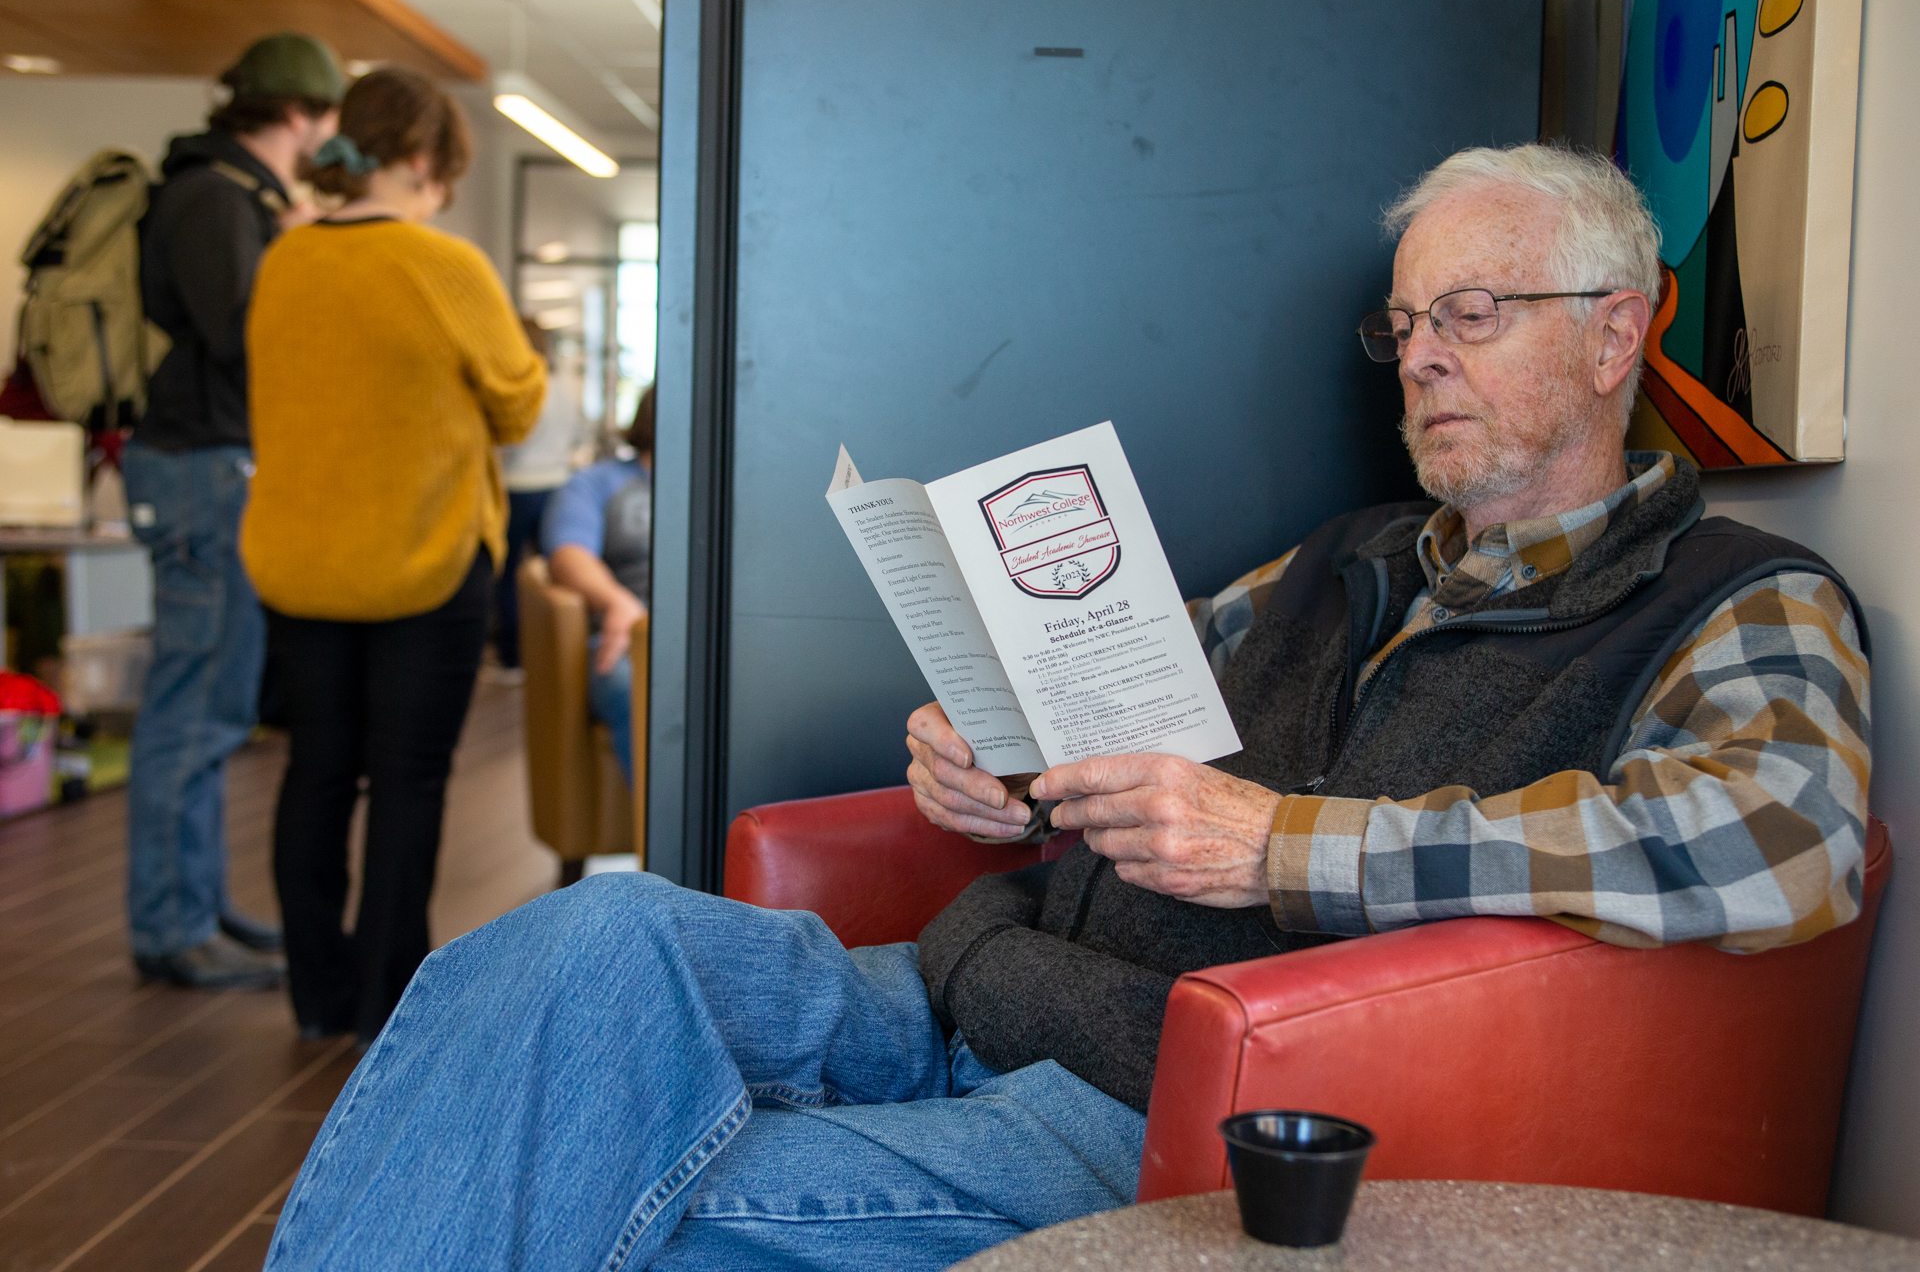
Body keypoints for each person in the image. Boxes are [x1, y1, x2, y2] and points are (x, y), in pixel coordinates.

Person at [263, 145, 1870, 1270]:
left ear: (1616, 329)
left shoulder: (1736, 595)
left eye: (1472, 316)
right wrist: (988, 753)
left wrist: (1283, 848)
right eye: (1405, 325)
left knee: (609, 1170)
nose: (1422, 362)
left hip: (1164, 1099)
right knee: (576, 943)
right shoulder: (1349, 558)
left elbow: (1779, 839)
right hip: (986, 984)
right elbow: (1097, 685)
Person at [241, 67, 545, 1045]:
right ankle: (387, 1006)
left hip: (301, 562)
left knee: (318, 773)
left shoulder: (283, 261)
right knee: (406, 780)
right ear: (423, 161)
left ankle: (317, 998)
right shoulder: (442, 264)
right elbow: (519, 401)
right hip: (423, 560)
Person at [126, 32, 345, 991]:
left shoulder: (224, 192)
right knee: (194, 707)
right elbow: (240, 330)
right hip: (201, 470)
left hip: (211, 467)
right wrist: (296, 248)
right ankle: (171, 925)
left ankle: (199, 907)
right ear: (302, 114)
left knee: (215, 706)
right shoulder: (215, 198)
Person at [541, 385, 653, 779]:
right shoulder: (597, 482)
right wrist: (615, 600)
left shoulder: (725, 487)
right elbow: (567, 553)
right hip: (620, 637)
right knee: (636, 688)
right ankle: (664, 836)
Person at [488, 319, 589, 680]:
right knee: (550, 575)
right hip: (557, 485)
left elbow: (507, 445)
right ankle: (551, 657)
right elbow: (581, 435)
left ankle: (513, 659)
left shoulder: (518, 389)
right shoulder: (560, 391)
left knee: (511, 576)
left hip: (518, 488)